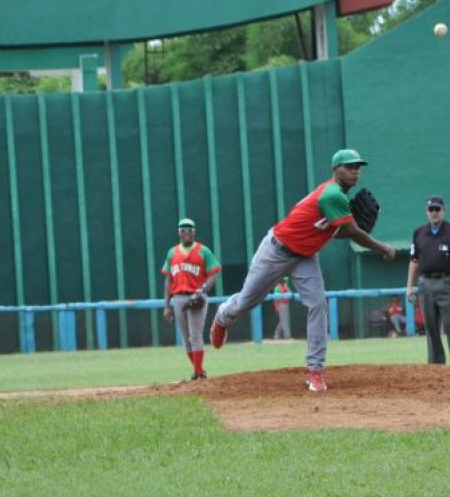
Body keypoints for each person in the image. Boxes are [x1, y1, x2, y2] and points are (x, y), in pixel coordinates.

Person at [209, 148, 396, 392]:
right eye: (349, 167)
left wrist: (352, 229)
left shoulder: (336, 197)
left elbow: (332, 230)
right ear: (335, 170)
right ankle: (224, 316)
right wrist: (383, 248)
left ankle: (314, 370)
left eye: (357, 167)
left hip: (305, 256)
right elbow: (352, 232)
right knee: (247, 301)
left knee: (318, 305)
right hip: (276, 251)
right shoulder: (332, 195)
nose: (355, 171)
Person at [406, 195, 450, 365]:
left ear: (444, 210)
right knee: (431, 328)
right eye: (431, 209)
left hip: (448, 281)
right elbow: (414, 260)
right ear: (426, 212)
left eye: (437, 209)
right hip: (426, 283)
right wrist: (409, 286)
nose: (434, 212)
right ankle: (435, 368)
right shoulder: (419, 232)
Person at [160, 218, 222, 380]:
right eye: (183, 229)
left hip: (196, 297)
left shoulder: (203, 251)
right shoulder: (172, 252)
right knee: (185, 338)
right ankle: (200, 371)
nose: (186, 232)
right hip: (178, 298)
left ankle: (197, 373)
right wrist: (166, 305)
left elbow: (213, 273)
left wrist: (202, 290)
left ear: (194, 231)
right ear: (179, 232)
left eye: (189, 229)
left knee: (195, 335)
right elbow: (168, 279)